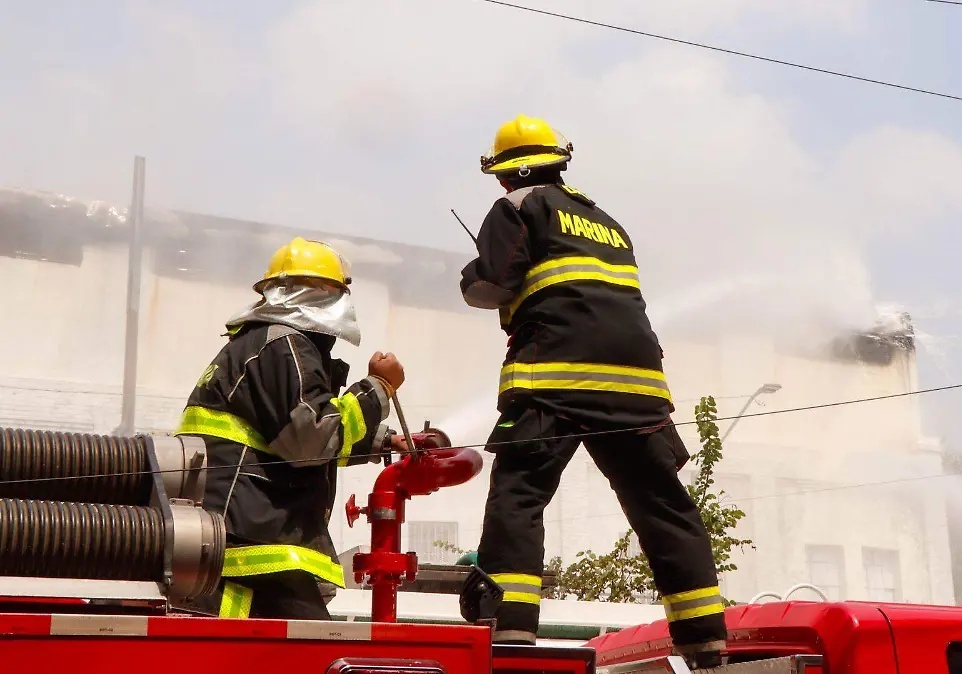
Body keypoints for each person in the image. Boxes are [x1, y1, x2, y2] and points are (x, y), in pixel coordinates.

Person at [458, 115, 728, 667]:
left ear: (506, 172)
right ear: (558, 161)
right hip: (637, 389)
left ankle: (511, 631)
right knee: (662, 505)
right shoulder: (608, 223)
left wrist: (470, 274)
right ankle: (705, 637)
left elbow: (493, 284)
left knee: (519, 495)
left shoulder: (517, 206)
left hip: (553, 378)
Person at [176, 237, 408, 620]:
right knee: (310, 642)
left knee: (263, 638)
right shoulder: (284, 343)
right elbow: (310, 441)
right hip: (250, 528)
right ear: (326, 295)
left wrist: (382, 440)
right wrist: (377, 388)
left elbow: (286, 433)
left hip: (233, 523)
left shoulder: (257, 343)